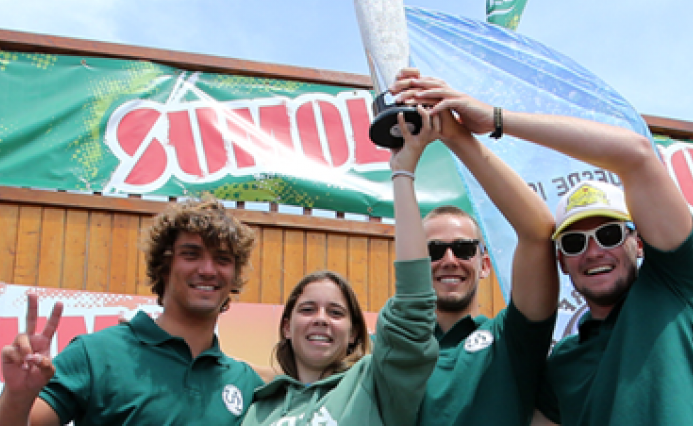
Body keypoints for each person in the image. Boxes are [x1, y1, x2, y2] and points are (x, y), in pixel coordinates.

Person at [398, 72, 693, 425]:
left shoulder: (676, 289)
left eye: (608, 235)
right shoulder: (562, 365)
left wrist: (496, 119)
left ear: (638, 242)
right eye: (574, 242)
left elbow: (636, 154)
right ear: (559, 260)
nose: (593, 252)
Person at [240, 110, 439, 425]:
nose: (321, 320)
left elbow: (413, 308)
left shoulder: (376, 384)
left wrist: (403, 174)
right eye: (307, 310)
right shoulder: (259, 409)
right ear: (286, 327)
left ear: (353, 334)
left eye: (336, 313)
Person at [0, 197, 265, 425]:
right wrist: (17, 397)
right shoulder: (95, 354)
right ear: (164, 267)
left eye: (222, 259)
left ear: (234, 276)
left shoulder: (247, 383)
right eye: (191, 255)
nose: (208, 270)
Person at [391, 69, 560, 426]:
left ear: (483, 263)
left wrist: (456, 136)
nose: (449, 260)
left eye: (464, 249)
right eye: (434, 251)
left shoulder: (508, 338)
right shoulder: (397, 351)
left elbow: (539, 231)